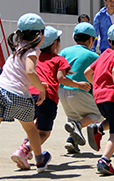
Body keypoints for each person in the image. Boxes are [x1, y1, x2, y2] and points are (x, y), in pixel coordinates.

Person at [0, 13, 51, 174]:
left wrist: (38, 83)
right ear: (39, 35)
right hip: (17, 95)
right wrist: (42, 89)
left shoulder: (18, 48)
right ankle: (39, 160)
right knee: (31, 129)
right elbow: (30, 72)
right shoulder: (33, 51)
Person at [11, 26, 90, 170]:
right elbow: (61, 78)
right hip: (47, 96)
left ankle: (25, 147)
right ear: (55, 44)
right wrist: (78, 85)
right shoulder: (58, 59)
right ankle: (24, 151)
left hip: (29, 94)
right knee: (44, 132)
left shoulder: (34, 56)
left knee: (33, 127)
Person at [84, 22, 114, 175]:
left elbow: (87, 72)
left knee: (113, 121)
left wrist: (98, 87)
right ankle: (104, 160)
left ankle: (98, 128)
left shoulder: (103, 54)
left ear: (110, 41)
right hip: (113, 97)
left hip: (99, 97)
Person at [58, 22, 103, 154]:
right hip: (79, 91)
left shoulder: (64, 51)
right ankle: (77, 127)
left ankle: (71, 141)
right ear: (91, 40)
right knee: (98, 114)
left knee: (73, 116)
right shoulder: (93, 56)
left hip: (62, 91)